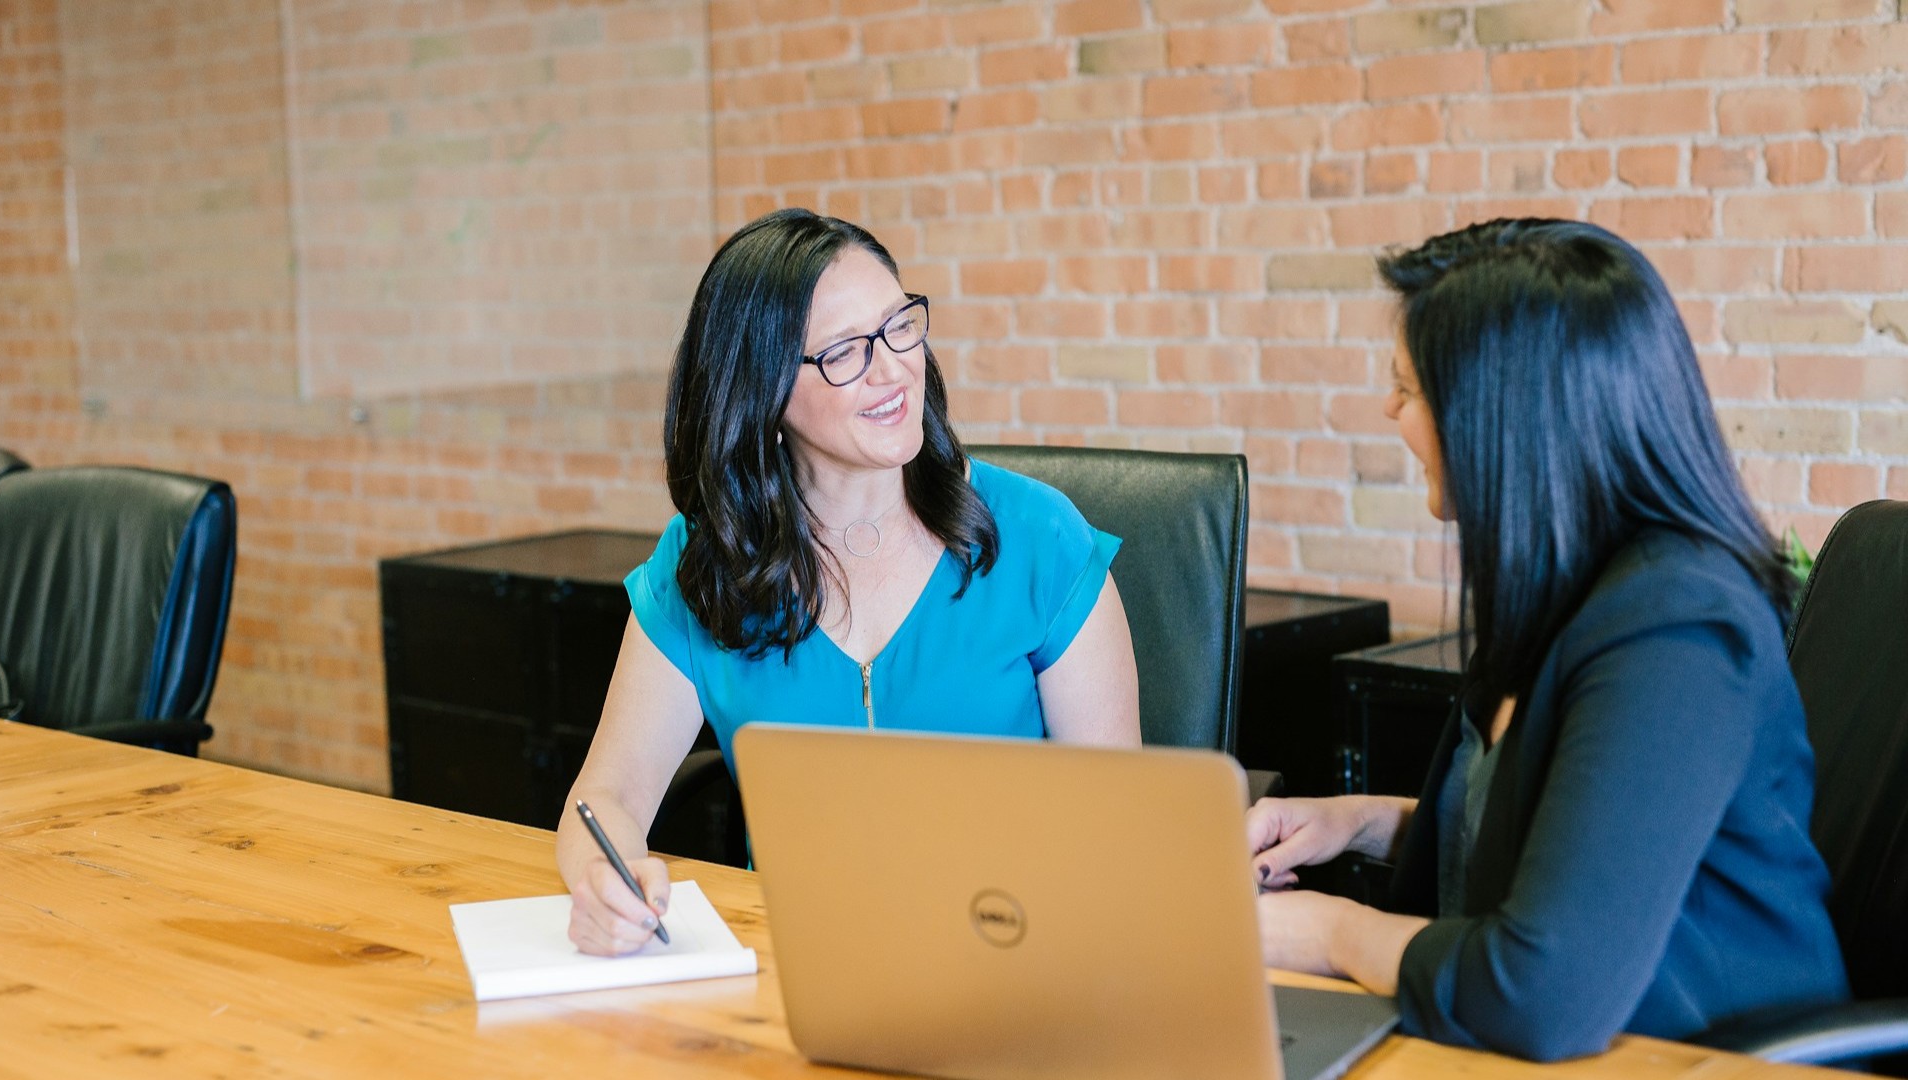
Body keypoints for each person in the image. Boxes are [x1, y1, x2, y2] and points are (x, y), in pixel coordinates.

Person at [1246, 219, 1849, 1060]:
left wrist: (1329, 933)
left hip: (1701, 1056)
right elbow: (1557, 837)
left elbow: (1541, 991)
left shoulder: (1677, 629)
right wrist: (1359, 822)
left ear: (1503, 418)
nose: (1388, 410)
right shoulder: (1564, 588)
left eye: (1408, 389)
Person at [557, 209, 1140, 956]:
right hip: (797, 966)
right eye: (843, 353)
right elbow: (603, 797)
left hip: (1018, 954)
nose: (894, 367)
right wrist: (601, 885)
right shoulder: (705, 565)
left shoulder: (1039, 539)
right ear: (762, 392)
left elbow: (1119, 822)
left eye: (900, 326)